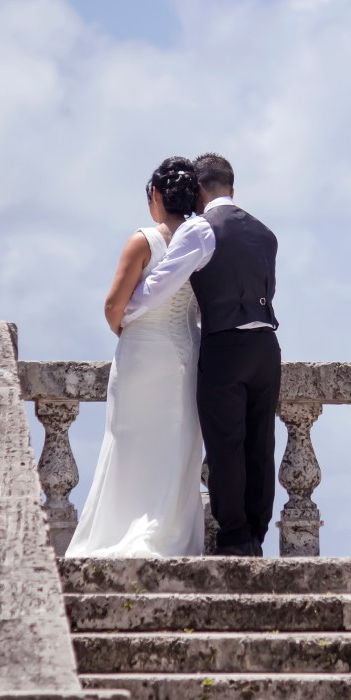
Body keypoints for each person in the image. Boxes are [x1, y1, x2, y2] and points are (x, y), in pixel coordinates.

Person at [122, 153, 280, 557]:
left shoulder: (199, 229)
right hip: (266, 346)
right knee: (260, 444)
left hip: (225, 345)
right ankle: (258, 536)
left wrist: (125, 310)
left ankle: (235, 538)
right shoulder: (265, 232)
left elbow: (159, 285)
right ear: (232, 187)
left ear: (198, 190)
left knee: (226, 445)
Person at [65, 157, 204, 558]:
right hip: (185, 351)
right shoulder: (202, 240)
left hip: (143, 350)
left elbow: (113, 306)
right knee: (176, 443)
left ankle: (120, 530)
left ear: (156, 196)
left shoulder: (143, 240)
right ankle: (170, 533)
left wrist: (133, 329)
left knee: (128, 441)